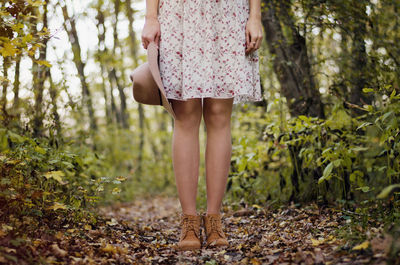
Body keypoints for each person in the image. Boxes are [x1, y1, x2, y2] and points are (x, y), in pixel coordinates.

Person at [141, 0, 263, 251]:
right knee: (185, 112)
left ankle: (214, 219)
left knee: (219, 115)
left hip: (228, 14)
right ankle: (189, 221)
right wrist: (151, 17)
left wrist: (255, 16)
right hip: (179, 13)